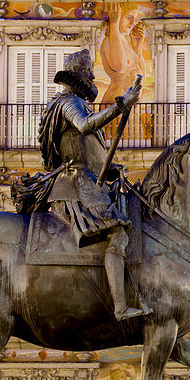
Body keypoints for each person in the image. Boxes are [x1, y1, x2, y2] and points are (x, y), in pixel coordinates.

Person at [41, 49, 148, 320]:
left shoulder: (74, 101)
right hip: (76, 184)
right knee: (117, 233)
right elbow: (85, 125)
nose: (92, 76)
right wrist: (121, 105)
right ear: (79, 75)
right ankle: (121, 307)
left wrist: (111, 169)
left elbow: (89, 151)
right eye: (88, 71)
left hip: (86, 179)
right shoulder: (68, 103)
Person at [98, 3, 147, 105]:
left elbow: (142, 75)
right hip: (116, 104)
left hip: (128, 105)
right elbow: (120, 67)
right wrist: (114, 23)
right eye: (129, 17)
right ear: (117, 16)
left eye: (134, 18)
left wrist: (137, 48)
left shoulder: (124, 41)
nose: (132, 23)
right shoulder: (109, 42)